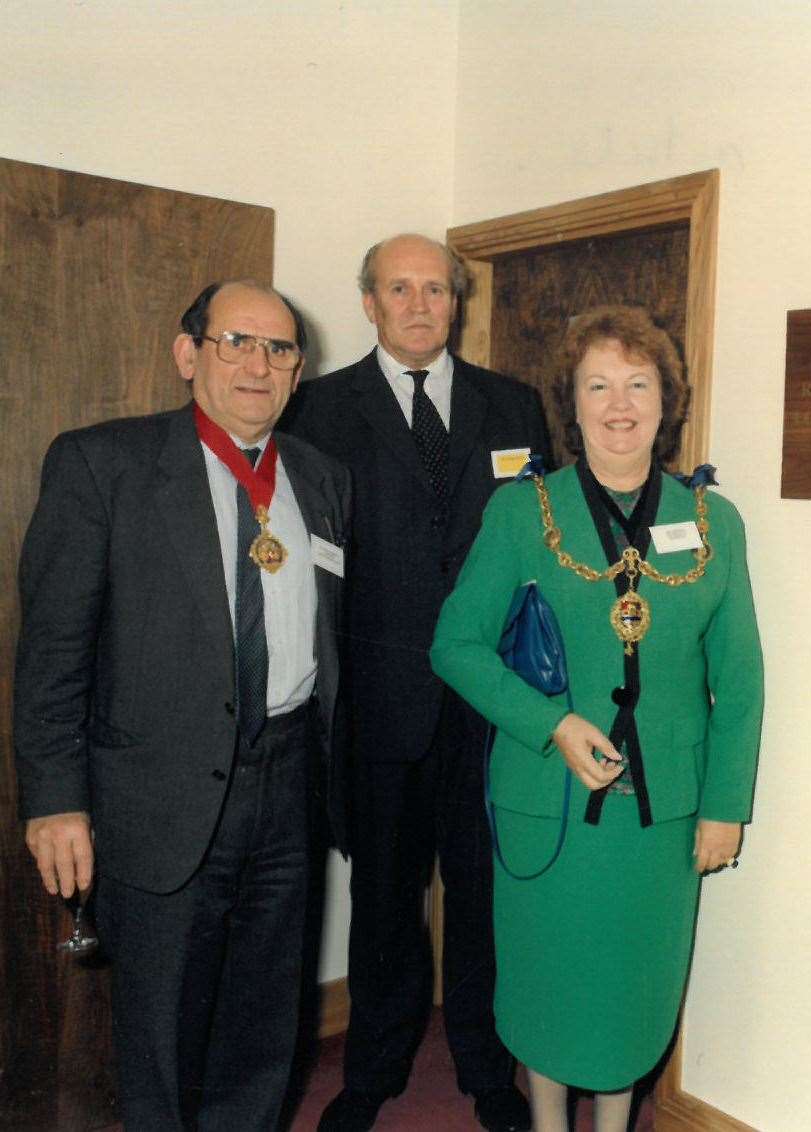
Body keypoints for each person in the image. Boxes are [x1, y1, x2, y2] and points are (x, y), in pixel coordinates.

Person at [14, 281, 350, 1131]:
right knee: (159, 1037)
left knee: (265, 1027)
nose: (257, 363)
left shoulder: (320, 478)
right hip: (156, 797)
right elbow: (52, 652)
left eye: (279, 349)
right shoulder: (103, 465)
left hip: (287, 791)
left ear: (297, 372)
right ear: (187, 353)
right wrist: (56, 799)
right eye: (237, 340)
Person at [431, 305, 764, 1132]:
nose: (620, 404)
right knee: (552, 983)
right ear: (571, 406)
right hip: (548, 803)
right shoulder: (522, 511)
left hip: (661, 821)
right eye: (599, 385)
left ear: (666, 401)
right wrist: (550, 722)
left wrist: (725, 805)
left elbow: (742, 679)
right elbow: (456, 644)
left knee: (629, 990)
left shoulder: (715, 522)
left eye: (639, 384)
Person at [282, 234, 551, 1132]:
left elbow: (539, 554)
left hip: (489, 712)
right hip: (378, 711)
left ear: (457, 302)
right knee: (385, 904)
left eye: (436, 288)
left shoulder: (512, 408)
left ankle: (486, 1073)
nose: (420, 304)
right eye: (400, 288)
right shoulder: (316, 411)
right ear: (369, 302)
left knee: (483, 899)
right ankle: (373, 1073)